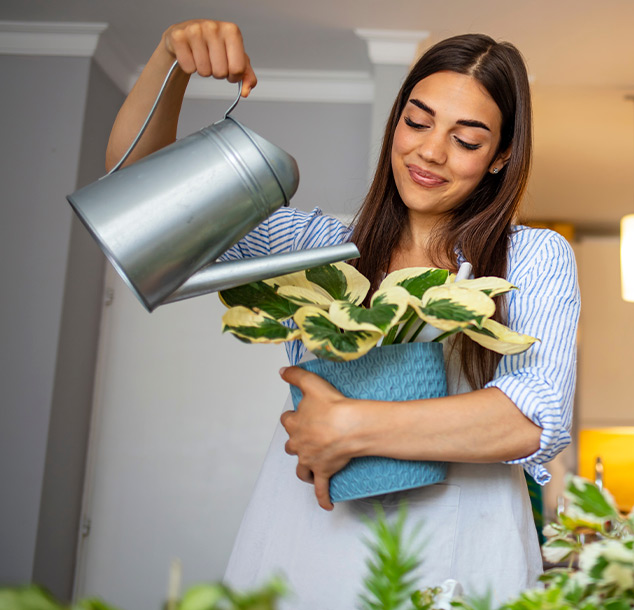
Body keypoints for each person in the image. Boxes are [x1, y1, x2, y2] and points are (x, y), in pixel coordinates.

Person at [105, 19, 580, 608]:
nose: (430, 151)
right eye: (417, 120)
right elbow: (140, 205)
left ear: (501, 156)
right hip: (304, 539)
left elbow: (535, 418)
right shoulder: (314, 244)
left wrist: (350, 426)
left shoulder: (532, 256)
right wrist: (169, 64)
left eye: (467, 138)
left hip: (462, 550)